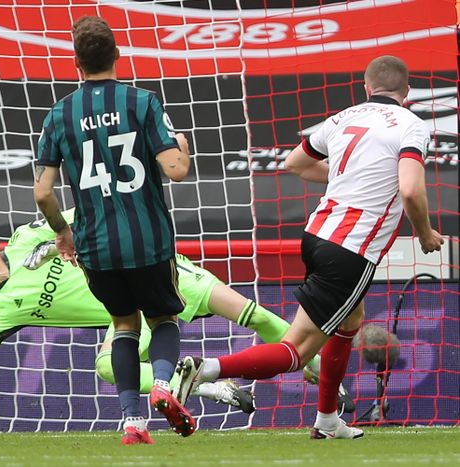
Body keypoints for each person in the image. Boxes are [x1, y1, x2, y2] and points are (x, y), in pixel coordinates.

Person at [0, 211, 328, 431]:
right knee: (107, 366)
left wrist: (59, 238)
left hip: (160, 275)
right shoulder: (1, 311)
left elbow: (85, 213)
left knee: (255, 315)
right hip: (126, 315)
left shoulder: (27, 237)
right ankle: (207, 386)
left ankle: (320, 372)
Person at [174, 55, 444, 440]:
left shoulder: (343, 116)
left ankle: (328, 419)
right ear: (408, 92)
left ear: (366, 88)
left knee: (349, 322)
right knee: (297, 350)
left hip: (317, 234)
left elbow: (295, 162)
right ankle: (206, 370)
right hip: (351, 248)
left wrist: (347, 177)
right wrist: (426, 233)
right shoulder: (410, 124)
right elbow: (411, 189)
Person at [32, 15, 195, 444]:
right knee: (162, 318)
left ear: (76, 63)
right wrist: (183, 148)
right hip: (148, 239)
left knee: (123, 323)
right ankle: (163, 385)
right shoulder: (142, 102)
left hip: (95, 245)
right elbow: (176, 171)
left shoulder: (58, 115)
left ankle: (132, 422)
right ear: (118, 55)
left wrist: (62, 231)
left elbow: (43, 193)